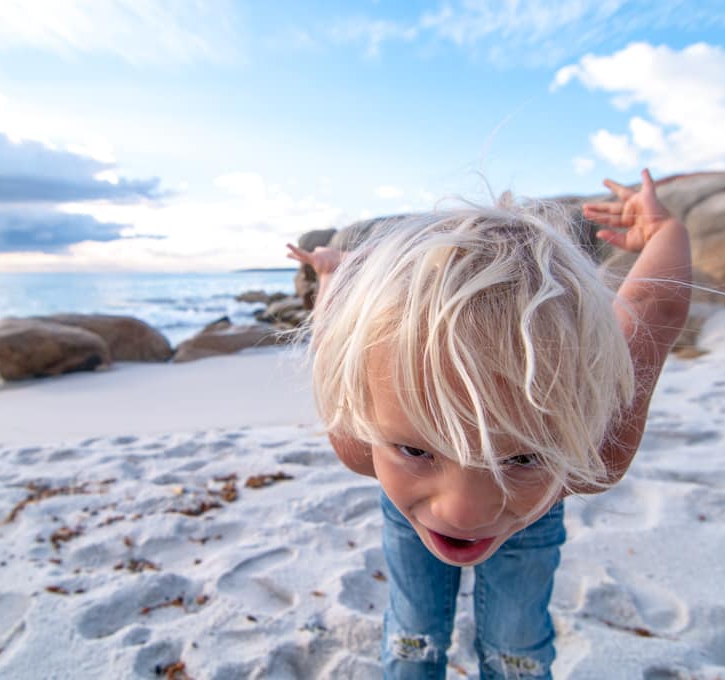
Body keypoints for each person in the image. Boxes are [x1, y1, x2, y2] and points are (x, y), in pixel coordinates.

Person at [286, 169, 692, 679]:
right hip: (430, 513)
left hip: (533, 515)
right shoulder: (356, 436)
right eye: (417, 449)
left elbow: (657, 306)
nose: (465, 513)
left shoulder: (597, 450)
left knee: (516, 645)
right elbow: (331, 337)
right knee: (414, 631)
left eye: (522, 456)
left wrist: (663, 231)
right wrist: (332, 277)